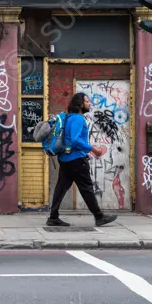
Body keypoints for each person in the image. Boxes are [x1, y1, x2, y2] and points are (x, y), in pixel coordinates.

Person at [46, 93, 117, 228]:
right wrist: (93, 149)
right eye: (87, 101)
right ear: (80, 104)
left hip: (65, 159)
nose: (89, 103)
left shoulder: (69, 118)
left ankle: (53, 217)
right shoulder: (78, 119)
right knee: (87, 188)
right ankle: (99, 217)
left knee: (61, 188)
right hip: (76, 160)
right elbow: (74, 140)